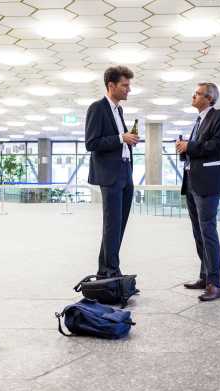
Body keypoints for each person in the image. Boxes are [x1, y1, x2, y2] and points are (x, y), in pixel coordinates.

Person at [176, 82, 220, 301]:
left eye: (198, 94)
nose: (193, 96)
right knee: (198, 232)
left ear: (209, 98)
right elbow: (198, 149)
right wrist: (184, 150)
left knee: (208, 231)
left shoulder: (219, 116)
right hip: (192, 181)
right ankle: (204, 276)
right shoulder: (199, 120)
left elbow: (219, 146)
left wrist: (189, 146)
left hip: (209, 183)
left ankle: (214, 284)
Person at [85, 65, 139, 279]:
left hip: (125, 171)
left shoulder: (119, 110)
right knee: (112, 224)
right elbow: (91, 142)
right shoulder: (97, 108)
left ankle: (105, 270)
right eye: (125, 85)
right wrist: (120, 138)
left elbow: (117, 139)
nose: (129, 90)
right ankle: (112, 272)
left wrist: (127, 141)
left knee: (119, 225)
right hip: (110, 175)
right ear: (111, 85)